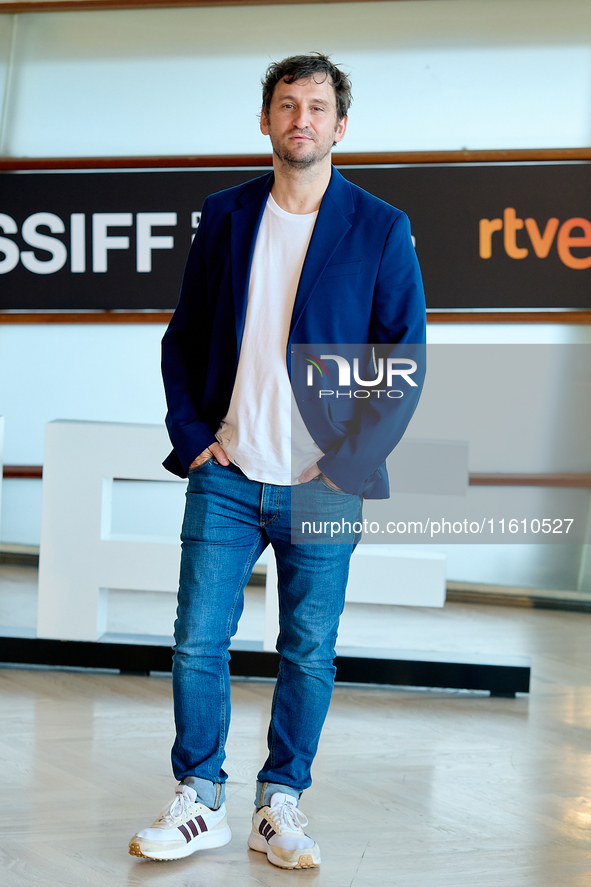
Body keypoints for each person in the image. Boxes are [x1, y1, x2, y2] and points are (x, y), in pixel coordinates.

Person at [129, 52, 426, 870]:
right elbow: (183, 340)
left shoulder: (379, 226)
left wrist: (347, 464)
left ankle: (280, 801)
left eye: (318, 106)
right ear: (264, 120)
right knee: (197, 641)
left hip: (323, 485)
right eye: (287, 104)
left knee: (307, 649)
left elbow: (403, 361)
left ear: (340, 125)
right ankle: (200, 795)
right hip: (225, 476)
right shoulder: (224, 215)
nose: (302, 118)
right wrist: (193, 439)